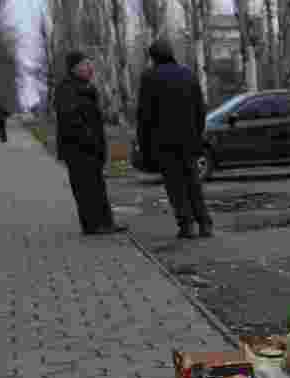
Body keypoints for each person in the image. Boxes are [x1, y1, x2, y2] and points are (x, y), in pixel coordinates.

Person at [137, 38, 214, 239]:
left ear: (153, 57)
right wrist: (197, 134)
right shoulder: (188, 74)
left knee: (175, 186)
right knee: (193, 183)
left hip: (164, 143)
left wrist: (144, 145)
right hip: (189, 140)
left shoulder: (149, 78)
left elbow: (144, 116)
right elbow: (200, 109)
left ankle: (186, 225)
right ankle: (205, 223)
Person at [55, 51, 126, 235]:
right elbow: (70, 120)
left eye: (90, 64)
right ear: (74, 68)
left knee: (98, 186)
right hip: (78, 149)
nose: (90, 68)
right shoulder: (66, 89)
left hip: (92, 148)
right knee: (85, 188)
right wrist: (89, 139)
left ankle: (106, 222)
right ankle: (92, 225)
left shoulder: (86, 87)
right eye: (86, 64)